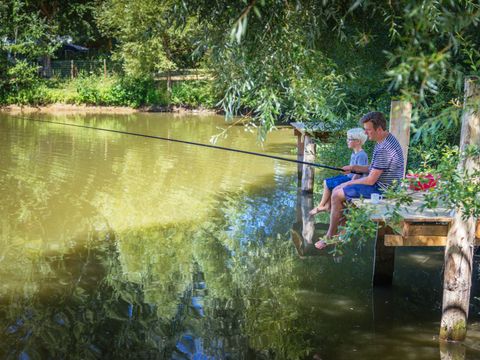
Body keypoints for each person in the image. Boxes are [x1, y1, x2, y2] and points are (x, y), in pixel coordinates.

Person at [315, 111, 404, 250]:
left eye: (368, 130)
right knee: (339, 191)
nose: (366, 133)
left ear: (379, 129)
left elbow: (370, 180)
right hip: (383, 184)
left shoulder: (384, 149)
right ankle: (341, 233)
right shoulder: (385, 139)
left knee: (337, 193)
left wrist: (347, 183)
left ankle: (330, 237)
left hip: (383, 189)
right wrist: (353, 168)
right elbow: (374, 169)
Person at [309, 128, 368, 215]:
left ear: (358, 141)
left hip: (353, 181)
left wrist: (351, 182)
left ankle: (321, 206)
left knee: (328, 183)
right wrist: (347, 171)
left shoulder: (361, 155)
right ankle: (327, 206)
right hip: (349, 177)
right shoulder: (354, 153)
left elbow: (359, 173)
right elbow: (354, 169)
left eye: (350, 139)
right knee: (327, 182)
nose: (347, 141)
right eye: (347, 139)